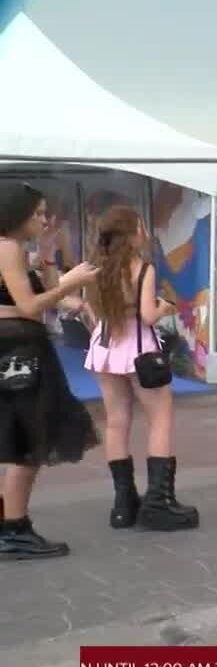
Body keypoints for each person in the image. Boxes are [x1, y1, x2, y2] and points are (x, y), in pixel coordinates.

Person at [0, 183, 100, 560]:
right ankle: (14, 528)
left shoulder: (16, 249)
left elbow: (47, 297)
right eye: (38, 214)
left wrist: (47, 261)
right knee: (28, 439)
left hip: (19, 345)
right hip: (18, 347)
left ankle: (12, 523)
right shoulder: (7, 247)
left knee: (20, 438)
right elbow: (30, 306)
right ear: (17, 214)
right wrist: (72, 283)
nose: (43, 220)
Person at [84, 205, 198, 532]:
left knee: (117, 422)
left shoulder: (96, 269)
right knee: (160, 419)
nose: (145, 232)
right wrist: (165, 306)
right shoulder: (142, 269)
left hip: (104, 347)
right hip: (139, 350)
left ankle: (123, 504)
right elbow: (148, 316)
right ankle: (159, 502)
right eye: (141, 227)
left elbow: (90, 310)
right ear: (133, 234)